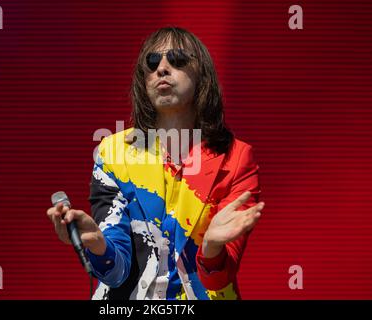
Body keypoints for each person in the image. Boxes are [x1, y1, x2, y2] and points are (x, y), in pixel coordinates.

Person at [46, 27, 264, 300]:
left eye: (177, 59)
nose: (162, 67)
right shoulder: (113, 152)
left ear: (202, 74)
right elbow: (116, 274)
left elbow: (219, 279)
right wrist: (100, 246)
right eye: (152, 61)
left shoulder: (237, 157)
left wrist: (211, 249)